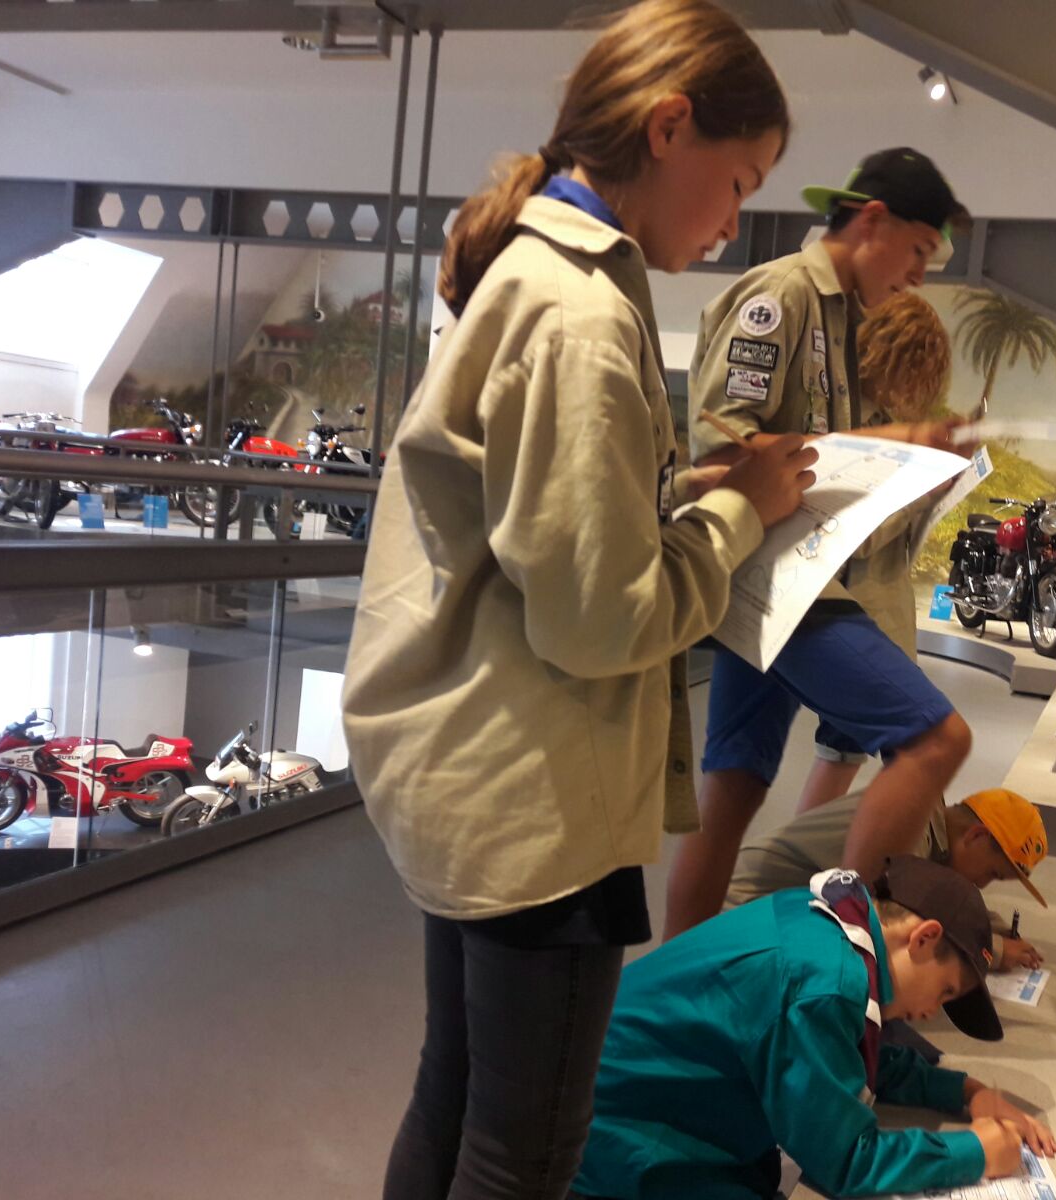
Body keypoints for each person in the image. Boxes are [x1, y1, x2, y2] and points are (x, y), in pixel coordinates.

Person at [340, 4, 813, 1196]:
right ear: (670, 126)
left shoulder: (538, 276)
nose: (733, 220)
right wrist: (738, 517)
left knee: (455, 1094)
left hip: (478, 767)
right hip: (537, 796)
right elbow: (599, 623)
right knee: (524, 1151)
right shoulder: (582, 314)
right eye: (739, 181)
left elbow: (541, 529)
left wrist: (685, 495)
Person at [664, 148, 976, 939]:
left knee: (734, 788)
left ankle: (676, 974)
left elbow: (815, 453)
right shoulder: (780, 299)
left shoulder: (840, 319)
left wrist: (910, 457)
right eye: (917, 250)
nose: (917, 275)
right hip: (776, 577)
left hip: (783, 574)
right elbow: (725, 451)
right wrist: (900, 440)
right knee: (936, 740)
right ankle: (849, 951)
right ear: (872, 220)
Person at [571, 856, 1056, 1200]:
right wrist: (975, 1152)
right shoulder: (824, 985)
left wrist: (966, 1091)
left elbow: (847, 1053)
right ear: (924, 938)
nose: (933, 1011)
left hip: (626, 1103)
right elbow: (846, 1161)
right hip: (618, 1144)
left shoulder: (832, 921)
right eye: (945, 991)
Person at [796, 290, 957, 814]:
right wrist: (924, 494)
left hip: (866, 609)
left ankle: (805, 857)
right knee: (914, 742)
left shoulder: (866, 418)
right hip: (856, 611)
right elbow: (855, 533)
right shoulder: (860, 430)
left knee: (843, 749)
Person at [730, 787, 1048, 970]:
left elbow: (935, 897)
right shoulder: (909, 832)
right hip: (743, 918)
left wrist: (986, 926)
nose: (982, 884)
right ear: (976, 836)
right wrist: (994, 952)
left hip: (774, 912)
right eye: (993, 873)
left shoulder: (927, 818)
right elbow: (898, 931)